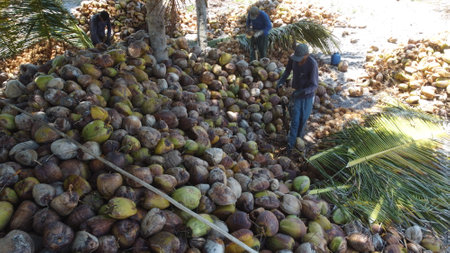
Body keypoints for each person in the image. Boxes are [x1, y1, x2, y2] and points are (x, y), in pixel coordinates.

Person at [277, 43, 318, 151]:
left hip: (307, 96)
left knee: (303, 120)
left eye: (301, 59)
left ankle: (298, 141)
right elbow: (287, 71)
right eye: (297, 58)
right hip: (296, 93)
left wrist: (300, 92)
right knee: (295, 120)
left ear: (307, 55)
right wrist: (280, 82)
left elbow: (314, 85)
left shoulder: (312, 64)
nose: (298, 61)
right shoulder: (293, 59)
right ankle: (290, 147)